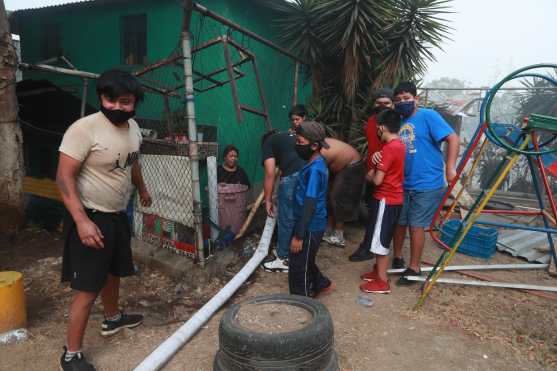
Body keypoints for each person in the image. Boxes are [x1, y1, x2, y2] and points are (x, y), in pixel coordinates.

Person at [56, 69, 151, 371]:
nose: (122, 108)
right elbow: (63, 178)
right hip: (90, 215)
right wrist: (81, 221)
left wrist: (143, 188)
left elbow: (131, 161)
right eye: (116, 101)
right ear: (103, 98)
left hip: (117, 215)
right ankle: (71, 355)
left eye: (128, 102)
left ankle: (112, 319)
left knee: (114, 273)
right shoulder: (84, 129)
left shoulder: (133, 127)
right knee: (88, 288)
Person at [389, 81, 459, 286]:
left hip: (428, 182)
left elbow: (453, 137)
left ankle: (414, 267)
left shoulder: (428, 115)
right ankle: (398, 257)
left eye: (407, 98)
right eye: (398, 100)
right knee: (399, 222)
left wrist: (450, 167)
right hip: (403, 182)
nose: (403, 102)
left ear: (416, 98)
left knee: (416, 225)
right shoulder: (397, 121)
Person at [349, 110, 405, 293]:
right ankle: (377, 272)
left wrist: (371, 169)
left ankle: (382, 282)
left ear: (381, 127)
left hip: (385, 199)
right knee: (381, 237)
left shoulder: (388, 149)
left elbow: (376, 180)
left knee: (380, 242)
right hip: (394, 199)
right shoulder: (400, 145)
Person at [261, 105, 307, 272]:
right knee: (299, 213)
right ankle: (296, 251)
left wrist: (267, 200)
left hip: (292, 177)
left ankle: (283, 258)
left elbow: (270, 173)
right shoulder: (290, 136)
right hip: (308, 171)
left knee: (286, 217)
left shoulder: (268, 143)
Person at [289, 121, 332, 297]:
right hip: (306, 222)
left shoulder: (315, 169)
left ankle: (303, 300)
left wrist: (299, 235)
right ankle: (321, 283)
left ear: (314, 146)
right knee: (305, 259)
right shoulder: (314, 162)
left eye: (300, 142)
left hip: (310, 225)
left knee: (299, 266)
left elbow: (309, 203)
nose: (297, 145)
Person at [321, 138, 366, 247]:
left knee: (337, 198)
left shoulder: (319, 152)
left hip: (351, 164)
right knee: (329, 196)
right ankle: (328, 229)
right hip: (338, 165)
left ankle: (338, 235)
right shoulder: (311, 144)